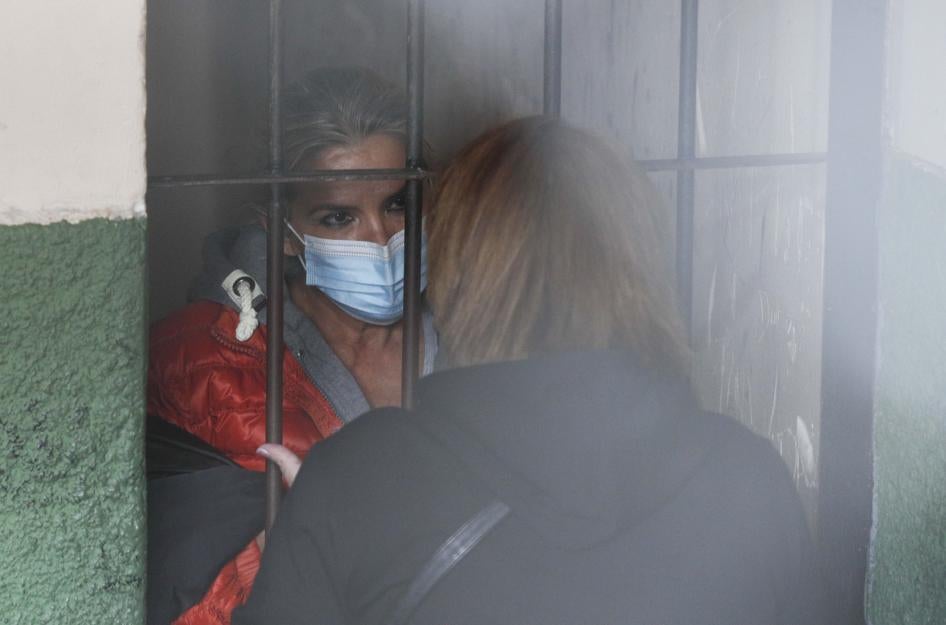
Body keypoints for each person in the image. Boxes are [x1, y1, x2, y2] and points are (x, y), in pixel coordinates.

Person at [234, 117, 827, 625]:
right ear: (640, 261)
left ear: (456, 264)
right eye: (340, 218)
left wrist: (293, 548)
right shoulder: (747, 482)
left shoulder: (358, 483)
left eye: (397, 208)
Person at [146, 66, 437, 625]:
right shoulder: (202, 367)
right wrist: (271, 555)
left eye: (398, 205)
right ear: (281, 229)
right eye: (338, 216)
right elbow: (174, 600)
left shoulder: (476, 325)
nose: (380, 239)